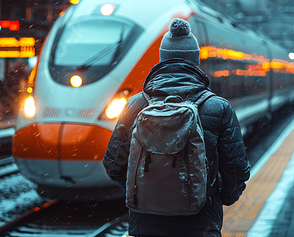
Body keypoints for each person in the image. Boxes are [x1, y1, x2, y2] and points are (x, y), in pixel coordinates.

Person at [103, 18, 251, 236]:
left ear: (162, 59)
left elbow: (113, 165)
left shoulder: (135, 105)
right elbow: (236, 172)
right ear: (195, 61)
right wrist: (215, 197)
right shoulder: (218, 108)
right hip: (199, 223)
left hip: (146, 225)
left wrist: (145, 191)